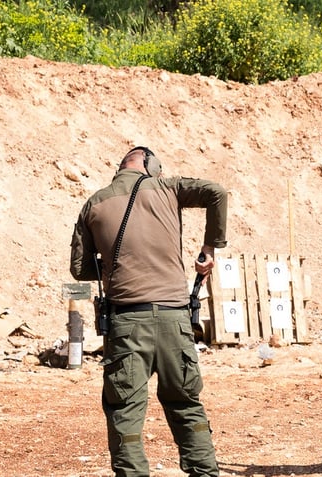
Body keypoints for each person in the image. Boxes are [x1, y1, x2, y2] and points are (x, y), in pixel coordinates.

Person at [70, 146, 228, 477]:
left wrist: (114, 259)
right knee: (186, 405)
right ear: (150, 165)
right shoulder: (168, 187)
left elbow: (80, 270)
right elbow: (216, 192)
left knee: (124, 410)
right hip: (175, 322)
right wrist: (209, 248)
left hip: (127, 324)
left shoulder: (94, 204)